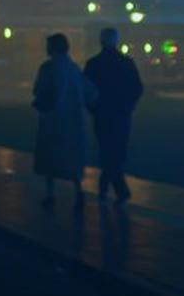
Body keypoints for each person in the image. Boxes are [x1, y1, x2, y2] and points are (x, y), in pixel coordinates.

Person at [32, 33, 97, 210]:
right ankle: (78, 191)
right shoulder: (73, 69)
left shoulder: (47, 68)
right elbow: (90, 92)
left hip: (52, 120)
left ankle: (50, 194)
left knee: (50, 158)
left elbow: (38, 90)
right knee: (72, 160)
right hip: (73, 121)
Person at [83, 28, 143, 204]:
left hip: (102, 114)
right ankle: (115, 190)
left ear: (100, 41)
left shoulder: (93, 64)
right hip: (121, 114)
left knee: (106, 150)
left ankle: (109, 189)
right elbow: (137, 88)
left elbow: (86, 90)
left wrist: (93, 108)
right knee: (117, 152)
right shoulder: (126, 63)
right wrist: (129, 106)